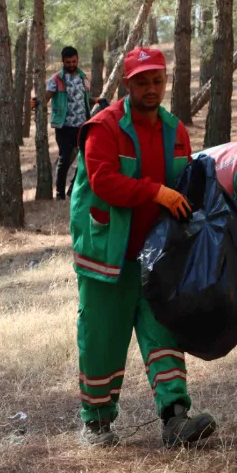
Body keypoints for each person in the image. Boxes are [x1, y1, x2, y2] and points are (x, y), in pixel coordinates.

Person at [69, 47, 217, 448]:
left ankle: (175, 418)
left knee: (163, 331)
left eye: (158, 80)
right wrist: (157, 193)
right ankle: (96, 423)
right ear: (126, 84)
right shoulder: (104, 127)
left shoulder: (175, 130)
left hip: (157, 260)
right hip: (107, 256)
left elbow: (188, 184)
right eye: (142, 82)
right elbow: (103, 182)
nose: (152, 89)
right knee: (102, 339)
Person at [33, 46, 98, 200]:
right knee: (64, 159)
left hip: (82, 125)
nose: (71, 64)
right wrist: (36, 102)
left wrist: (96, 100)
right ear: (63, 61)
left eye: (74, 61)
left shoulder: (83, 77)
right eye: (68, 62)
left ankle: (74, 188)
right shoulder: (56, 79)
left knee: (86, 157)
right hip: (64, 126)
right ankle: (60, 193)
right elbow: (46, 97)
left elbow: (83, 99)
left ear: (77, 60)